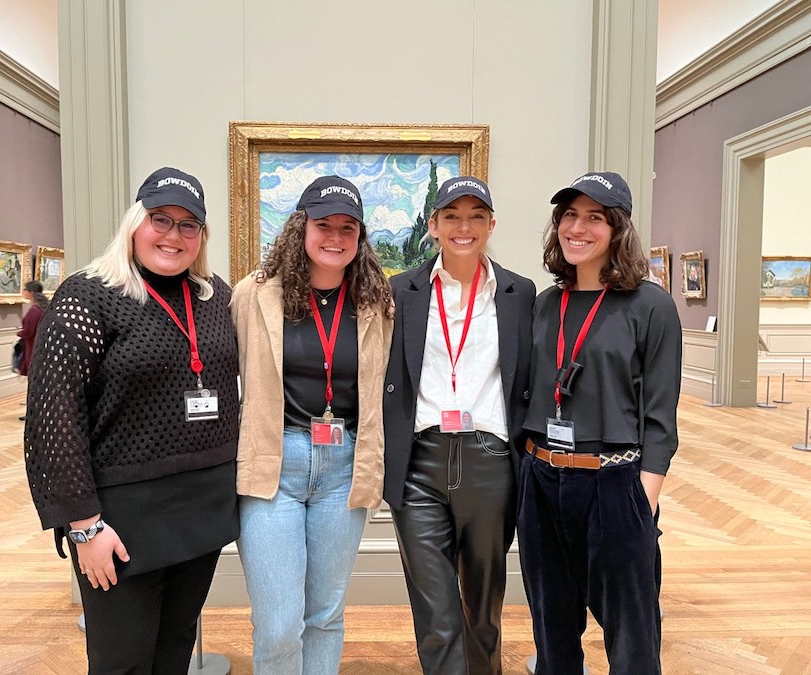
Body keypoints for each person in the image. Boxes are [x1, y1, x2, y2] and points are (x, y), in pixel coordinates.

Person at [23, 167, 239, 674]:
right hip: (119, 519)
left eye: (189, 225)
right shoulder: (87, 296)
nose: (173, 235)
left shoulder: (214, 297)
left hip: (201, 508)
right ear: (134, 223)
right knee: (122, 661)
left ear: (202, 237)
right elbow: (54, 421)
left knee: (175, 648)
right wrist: (84, 526)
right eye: (160, 219)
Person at [518, 172, 681, 674]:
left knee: (631, 636)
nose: (578, 228)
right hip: (542, 478)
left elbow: (660, 416)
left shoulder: (651, 306)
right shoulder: (544, 305)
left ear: (617, 229)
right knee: (552, 628)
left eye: (594, 217)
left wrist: (640, 499)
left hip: (615, 481)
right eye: (570, 215)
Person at [230, 175, 393, 674]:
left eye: (349, 227)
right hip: (273, 463)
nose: (336, 237)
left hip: (342, 468)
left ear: (360, 236)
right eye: (324, 225)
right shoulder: (253, 295)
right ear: (301, 227)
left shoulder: (376, 303)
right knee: (279, 621)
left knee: (325, 613)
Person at [383, 176, 536, 674]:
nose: (463, 227)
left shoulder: (520, 292)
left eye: (475, 216)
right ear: (433, 225)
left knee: (483, 611)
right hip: (420, 464)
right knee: (436, 614)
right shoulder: (400, 291)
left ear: (492, 224)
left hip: (490, 464)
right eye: (451, 216)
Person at [16, 279, 49, 420]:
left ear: (31, 293)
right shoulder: (44, 307)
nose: (23, 292)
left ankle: (33, 412)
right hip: (41, 348)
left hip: (33, 349)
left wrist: (19, 333)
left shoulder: (34, 310)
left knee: (35, 381)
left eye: (25, 290)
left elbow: (28, 331)